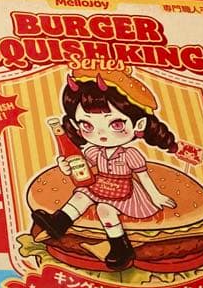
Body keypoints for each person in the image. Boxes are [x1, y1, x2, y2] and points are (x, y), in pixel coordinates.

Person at [31, 67, 178, 270]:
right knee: (80, 196)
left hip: (125, 194)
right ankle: (59, 223)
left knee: (104, 210)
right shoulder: (93, 151)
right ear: (76, 124)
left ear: (139, 124)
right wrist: (66, 167)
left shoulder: (130, 154)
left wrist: (155, 196)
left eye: (116, 124)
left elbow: (143, 176)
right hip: (100, 185)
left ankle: (120, 247)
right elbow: (80, 166)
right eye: (87, 125)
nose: (101, 134)